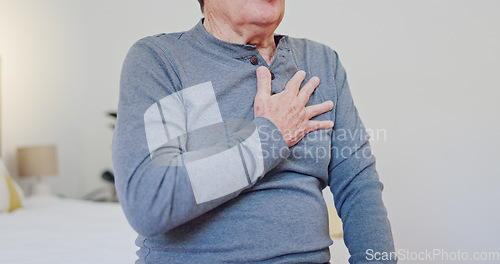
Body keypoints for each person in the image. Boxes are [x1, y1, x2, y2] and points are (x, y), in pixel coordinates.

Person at [112, 0, 396, 263]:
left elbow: (359, 188)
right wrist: (272, 136)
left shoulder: (322, 62)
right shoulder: (160, 60)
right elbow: (148, 203)